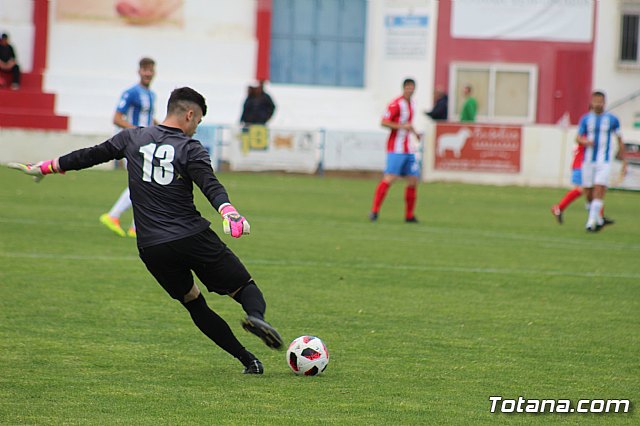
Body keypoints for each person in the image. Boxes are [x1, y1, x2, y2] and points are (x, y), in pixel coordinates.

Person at [8, 87, 284, 374]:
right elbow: (210, 185)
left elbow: (89, 156)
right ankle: (255, 316)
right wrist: (229, 211)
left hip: (152, 247)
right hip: (192, 236)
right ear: (190, 114)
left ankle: (248, 360)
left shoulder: (132, 137)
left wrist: (46, 167)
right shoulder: (190, 148)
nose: (195, 128)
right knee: (243, 287)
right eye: (198, 121)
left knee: (194, 302)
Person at [100, 57, 157, 238]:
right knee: (141, 181)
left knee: (146, 182)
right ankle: (114, 216)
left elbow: (149, 119)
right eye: (145, 69)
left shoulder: (152, 95)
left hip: (147, 143)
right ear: (139, 71)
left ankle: (135, 227)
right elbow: (117, 118)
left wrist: (165, 129)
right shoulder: (131, 93)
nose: (148, 73)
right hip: (134, 143)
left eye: (150, 70)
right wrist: (137, 131)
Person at [369, 78, 422, 223]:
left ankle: (409, 215)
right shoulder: (395, 104)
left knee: (413, 180)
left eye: (412, 87)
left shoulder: (412, 104)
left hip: (408, 148)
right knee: (390, 177)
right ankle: (374, 211)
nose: (410, 90)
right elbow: (383, 122)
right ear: (404, 88)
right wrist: (401, 126)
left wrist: (415, 133)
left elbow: (408, 124)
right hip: (396, 148)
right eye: (408, 87)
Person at [577, 90, 626, 232]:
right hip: (588, 160)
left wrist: (620, 154)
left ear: (604, 102)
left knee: (599, 188)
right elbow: (578, 137)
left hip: (603, 161)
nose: (598, 104)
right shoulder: (585, 119)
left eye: (600, 101)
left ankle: (591, 222)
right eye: (595, 101)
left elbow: (619, 138)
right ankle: (598, 219)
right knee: (588, 192)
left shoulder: (612, 119)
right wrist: (585, 141)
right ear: (591, 102)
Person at [550, 141, 614, 226]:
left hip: (583, 165)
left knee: (593, 191)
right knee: (584, 190)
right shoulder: (586, 135)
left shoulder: (586, 134)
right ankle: (559, 208)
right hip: (582, 166)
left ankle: (599, 217)